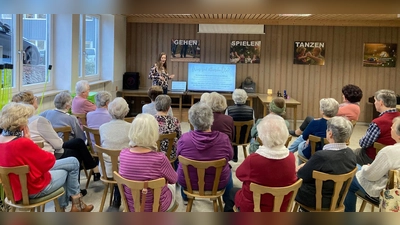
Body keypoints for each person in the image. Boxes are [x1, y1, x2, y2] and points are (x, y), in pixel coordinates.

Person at [0, 102, 94, 212]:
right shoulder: (22, 143)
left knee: (72, 162)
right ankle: (71, 207)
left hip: (14, 190)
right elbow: (49, 161)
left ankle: (76, 206)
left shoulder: (2, 139)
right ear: (21, 124)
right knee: (69, 168)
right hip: (33, 189)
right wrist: (28, 140)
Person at [12, 91, 97, 191]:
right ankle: (75, 192)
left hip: (29, 158)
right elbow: (58, 145)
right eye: (35, 98)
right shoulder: (39, 120)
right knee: (75, 153)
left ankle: (88, 174)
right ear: (31, 103)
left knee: (77, 143)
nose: (37, 100)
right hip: (46, 155)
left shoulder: (20, 121)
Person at [224, 114, 297, 212]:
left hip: (255, 208)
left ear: (262, 136)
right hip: (280, 208)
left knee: (232, 192)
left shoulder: (254, 159)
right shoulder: (291, 157)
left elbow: (239, 175)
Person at [119, 113, 178, 212]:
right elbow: (174, 179)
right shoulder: (160, 159)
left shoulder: (123, 154)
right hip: (156, 208)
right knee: (172, 186)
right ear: (154, 133)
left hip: (131, 206)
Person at [177, 102, 233, 204]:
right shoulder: (223, 139)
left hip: (189, 183)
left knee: (182, 166)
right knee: (229, 170)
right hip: (217, 184)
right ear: (211, 120)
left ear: (191, 120)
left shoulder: (184, 139)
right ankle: (227, 202)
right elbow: (230, 157)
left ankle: (186, 198)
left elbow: (178, 156)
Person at [296, 116, 357, 210]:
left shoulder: (321, 156)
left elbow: (301, 175)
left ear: (330, 134)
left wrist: (301, 167)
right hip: (337, 200)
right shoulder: (351, 154)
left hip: (315, 201)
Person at [344, 116, 400, 212]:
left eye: (393, 127)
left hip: (390, 195)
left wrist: (366, 167)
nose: (390, 128)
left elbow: (371, 176)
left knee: (349, 174)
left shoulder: (389, 152)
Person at [290, 84, 363, 137]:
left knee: (310, 120)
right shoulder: (354, 106)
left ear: (348, 96)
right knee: (313, 120)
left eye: (343, 94)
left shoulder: (351, 107)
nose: (342, 96)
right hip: (337, 126)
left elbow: (331, 112)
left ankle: (300, 134)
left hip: (335, 129)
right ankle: (301, 134)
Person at [99, 97, 131, 210]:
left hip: (106, 170)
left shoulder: (102, 128)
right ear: (126, 111)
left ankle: (116, 199)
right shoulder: (131, 128)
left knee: (117, 163)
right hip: (125, 172)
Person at [354, 89, 400, 165]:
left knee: (348, 154)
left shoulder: (378, 122)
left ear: (381, 103)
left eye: (375, 101)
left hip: (375, 158)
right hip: (396, 158)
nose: (375, 103)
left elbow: (364, 144)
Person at [226, 89, 254, 162]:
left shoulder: (229, 110)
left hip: (232, 138)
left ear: (233, 97)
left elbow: (227, 126)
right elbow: (253, 125)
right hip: (246, 138)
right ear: (246, 97)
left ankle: (234, 157)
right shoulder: (251, 110)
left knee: (231, 132)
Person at [154, 95, 182, 168]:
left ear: (155, 106)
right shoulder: (175, 121)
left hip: (153, 153)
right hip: (170, 154)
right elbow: (180, 137)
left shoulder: (149, 120)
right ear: (169, 107)